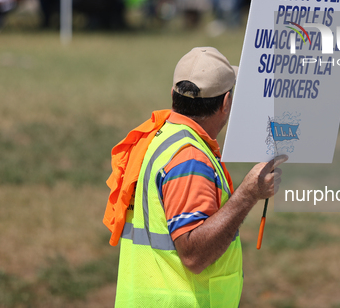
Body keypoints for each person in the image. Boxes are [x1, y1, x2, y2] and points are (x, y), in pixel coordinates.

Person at [105, 47, 286, 307]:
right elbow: (194, 255)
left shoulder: (161, 137)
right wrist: (248, 195)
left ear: (173, 95)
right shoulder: (189, 158)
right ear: (226, 104)